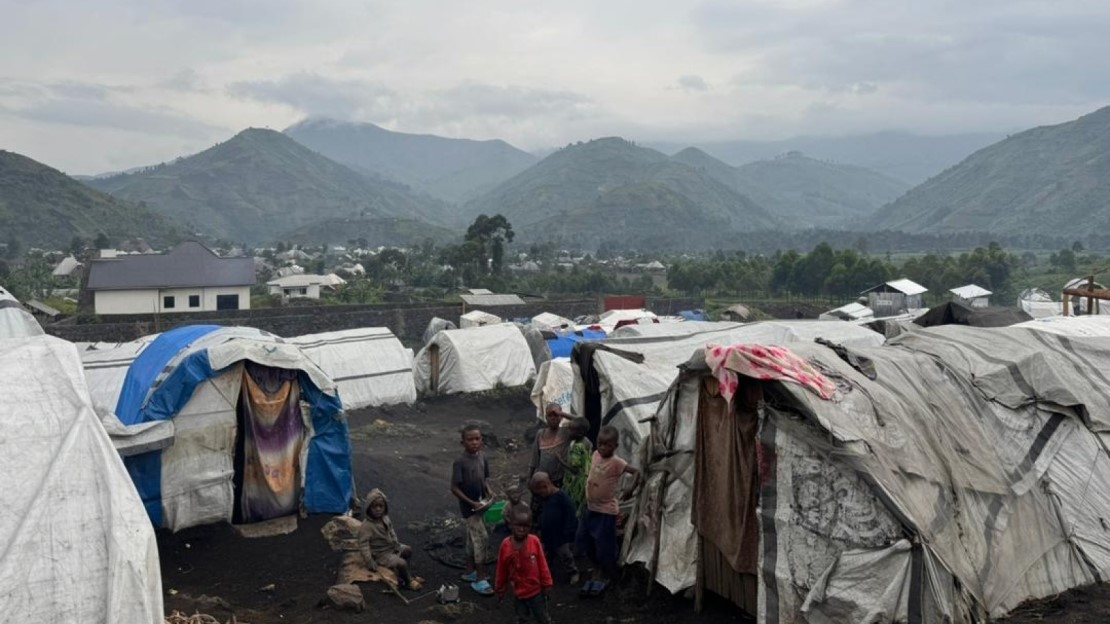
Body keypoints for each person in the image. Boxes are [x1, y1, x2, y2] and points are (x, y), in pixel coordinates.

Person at [577, 425, 640, 597]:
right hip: (590, 508)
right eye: (600, 443)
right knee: (584, 540)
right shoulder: (595, 454)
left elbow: (636, 473)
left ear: (615, 446)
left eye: (607, 445)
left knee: (605, 547)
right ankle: (598, 568)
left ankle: (613, 576)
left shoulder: (617, 462)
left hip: (605, 512)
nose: (603, 448)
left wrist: (630, 488)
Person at [451, 423, 495, 596]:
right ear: (463, 442)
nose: (475, 442)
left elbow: (484, 479)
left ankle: (470, 571)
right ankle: (480, 578)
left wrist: (489, 492)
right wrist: (471, 503)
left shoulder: (482, 457)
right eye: (470, 440)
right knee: (482, 538)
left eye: (477, 439)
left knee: (472, 538)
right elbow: (454, 488)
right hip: (469, 509)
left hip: (480, 504)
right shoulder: (460, 462)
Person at [495, 507, 553, 624]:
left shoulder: (534, 541)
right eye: (518, 525)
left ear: (530, 526)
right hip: (518, 592)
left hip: (536, 591)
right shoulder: (506, 545)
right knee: (522, 618)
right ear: (511, 525)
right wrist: (500, 588)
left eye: (525, 526)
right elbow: (502, 568)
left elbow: (543, 564)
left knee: (542, 617)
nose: (521, 529)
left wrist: (547, 584)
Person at [358, 488, 417, 589]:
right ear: (368, 508)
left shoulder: (385, 518)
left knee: (408, 550)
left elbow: (391, 530)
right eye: (374, 507)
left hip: (391, 547)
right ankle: (408, 582)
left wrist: (396, 543)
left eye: (381, 506)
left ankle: (406, 574)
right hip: (380, 554)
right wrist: (369, 561)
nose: (378, 509)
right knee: (401, 563)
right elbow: (364, 545)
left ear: (385, 507)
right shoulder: (367, 526)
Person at [530, 471, 580, 585]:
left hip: (560, 535)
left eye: (540, 492)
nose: (540, 495)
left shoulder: (562, 497)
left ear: (545, 486)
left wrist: (568, 532)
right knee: (547, 556)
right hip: (547, 534)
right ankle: (547, 574)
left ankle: (573, 572)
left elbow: (571, 515)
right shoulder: (545, 498)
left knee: (565, 555)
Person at [560, 418, 592, 513]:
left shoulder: (577, 448)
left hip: (576, 482)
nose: (568, 431)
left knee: (572, 505)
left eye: (571, 430)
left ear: (579, 433)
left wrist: (560, 460)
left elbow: (574, 470)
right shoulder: (586, 441)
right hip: (586, 478)